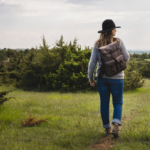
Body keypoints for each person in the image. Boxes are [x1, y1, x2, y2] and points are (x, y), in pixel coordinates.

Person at [88, 19, 130, 137]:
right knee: (117, 102)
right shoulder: (119, 42)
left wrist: (90, 78)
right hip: (118, 78)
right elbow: (126, 58)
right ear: (111, 30)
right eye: (115, 28)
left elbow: (92, 63)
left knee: (104, 103)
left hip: (102, 78)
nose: (116, 30)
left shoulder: (97, 44)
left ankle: (107, 128)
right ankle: (116, 125)